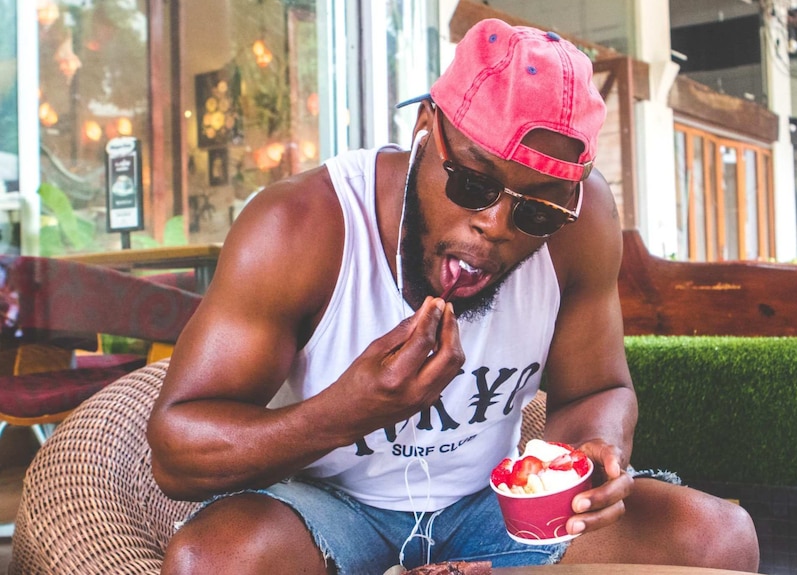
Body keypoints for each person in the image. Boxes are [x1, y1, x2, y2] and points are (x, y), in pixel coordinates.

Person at [148, 18, 759, 575]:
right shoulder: (303, 226)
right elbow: (177, 451)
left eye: (538, 211)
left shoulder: (583, 224)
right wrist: (344, 412)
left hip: (490, 510)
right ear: (425, 130)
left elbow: (598, 389)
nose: (495, 224)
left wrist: (588, 457)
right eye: (472, 181)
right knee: (210, 562)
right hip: (325, 511)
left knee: (718, 540)